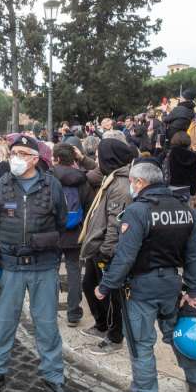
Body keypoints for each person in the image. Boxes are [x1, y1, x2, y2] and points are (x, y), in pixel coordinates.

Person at [98, 161, 196, 392]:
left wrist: (106, 286)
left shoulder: (138, 211)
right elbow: (193, 255)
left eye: (132, 182)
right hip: (171, 285)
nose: (131, 187)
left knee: (142, 346)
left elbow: (124, 257)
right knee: (177, 336)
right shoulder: (185, 209)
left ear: (140, 183)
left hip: (143, 288)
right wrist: (194, 289)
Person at [0, 135, 74, 392]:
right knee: (4, 324)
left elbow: (61, 222)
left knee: (47, 326)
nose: (14, 157)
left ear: (34, 158)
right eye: (13, 152)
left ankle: (54, 377)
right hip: (10, 267)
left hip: (43, 267)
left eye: (21, 153)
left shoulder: (51, 185)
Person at [79, 139, 135, 355]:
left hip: (107, 249)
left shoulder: (120, 185)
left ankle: (114, 336)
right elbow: (92, 167)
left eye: (100, 156)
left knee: (112, 297)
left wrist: (106, 251)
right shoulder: (111, 177)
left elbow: (116, 223)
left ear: (109, 159)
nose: (97, 160)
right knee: (89, 285)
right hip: (98, 246)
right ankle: (101, 325)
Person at [51, 143, 94, 327]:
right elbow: (90, 207)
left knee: (51, 272)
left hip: (52, 232)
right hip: (75, 232)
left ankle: (50, 311)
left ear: (57, 159)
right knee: (74, 271)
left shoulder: (49, 178)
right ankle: (73, 314)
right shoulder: (83, 179)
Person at [166, 132, 196, 199]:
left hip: (170, 187)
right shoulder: (193, 156)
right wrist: (193, 191)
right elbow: (195, 176)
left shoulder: (169, 153)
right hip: (186, 189)